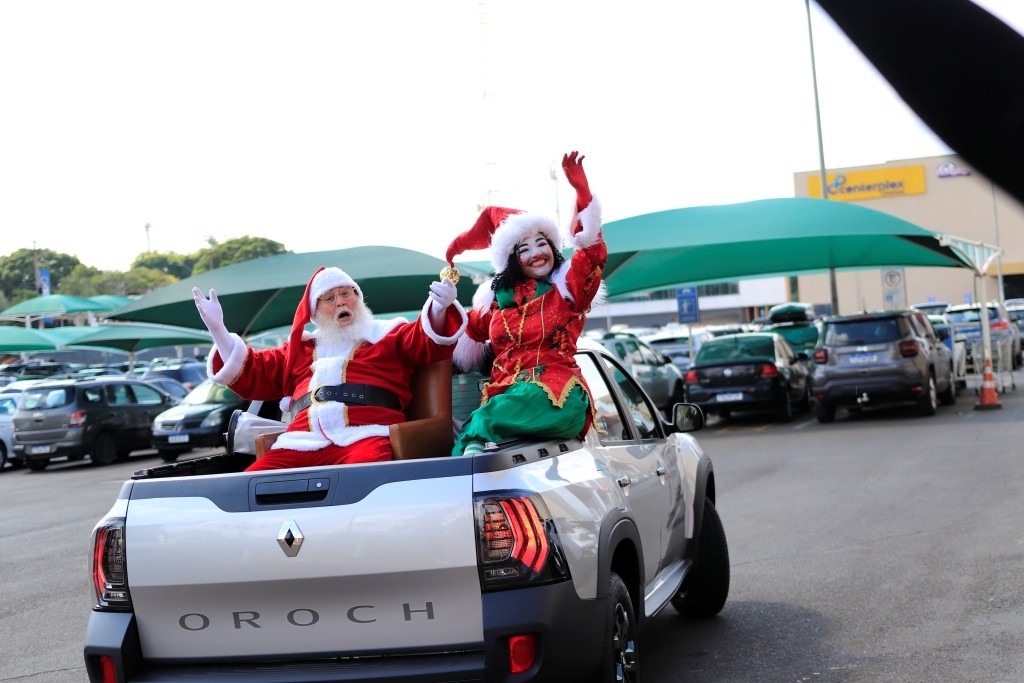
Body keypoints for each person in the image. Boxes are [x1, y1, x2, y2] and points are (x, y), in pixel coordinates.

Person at [192, 267, 467, 470]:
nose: (341, 302)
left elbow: (424, 339)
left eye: (346, 294)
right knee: (253, 484)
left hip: (366, 434)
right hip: (302, 440)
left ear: (358, 299)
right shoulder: (300, 350)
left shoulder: (386, 334)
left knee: (367, 483)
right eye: (330, 298)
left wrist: (439, 308)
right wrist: (219, 331)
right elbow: (253, 370)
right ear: (315, 313)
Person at [444, 151, 606, 456]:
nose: (536, 253)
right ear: (511, 260)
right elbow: (461, 332)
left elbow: (591, 256)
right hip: (503, 402)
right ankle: (472, 451)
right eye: (525, 248)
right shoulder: (494, 305)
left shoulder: (567, 290)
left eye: (542, 243)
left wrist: (582, 193)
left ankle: (476, 435)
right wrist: (443, 307)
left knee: (491, 417)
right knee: (475, 437)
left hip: (555, 401)